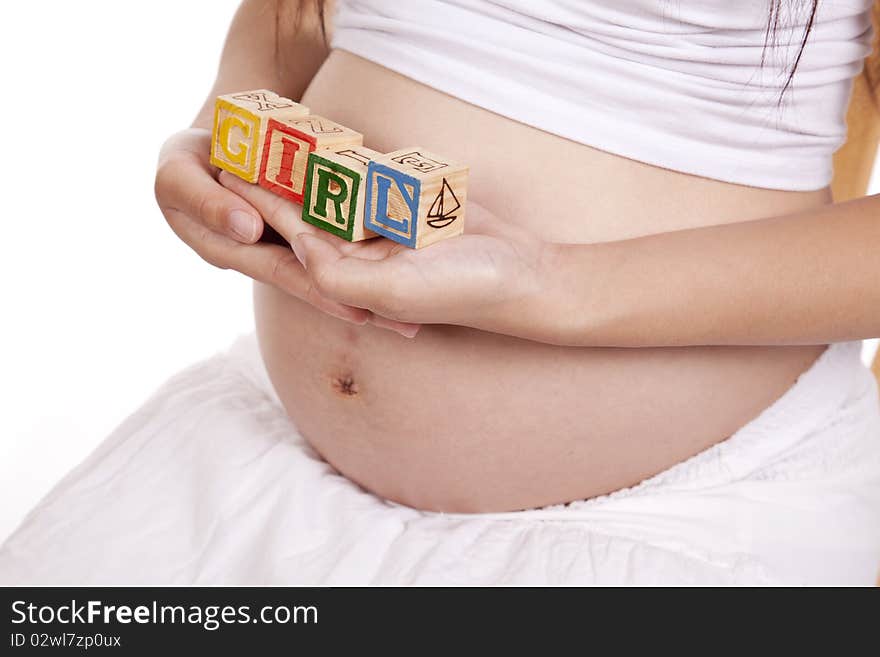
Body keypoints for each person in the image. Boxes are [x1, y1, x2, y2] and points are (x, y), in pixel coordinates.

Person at [3, 0, 879, 585]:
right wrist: (232, 129)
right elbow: (296, 21)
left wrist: (551, 284)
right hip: (265, 470)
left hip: (673, 523)